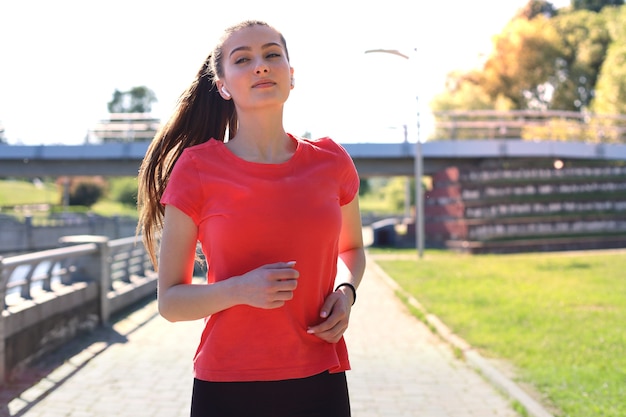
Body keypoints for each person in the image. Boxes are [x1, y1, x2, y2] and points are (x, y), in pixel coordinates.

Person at [137, 20, 366, 417]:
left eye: (272, 54)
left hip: (320, 378)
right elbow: (170, 302)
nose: (261, 65)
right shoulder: (196, 170)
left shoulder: (332, 162)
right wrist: (241, 289)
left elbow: (353, 249)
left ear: (290, 76)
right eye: (243, 59)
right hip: (227, 386)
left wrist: (346, 294)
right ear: (223, 85)